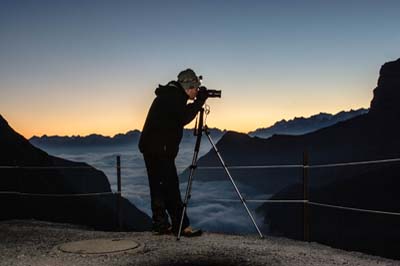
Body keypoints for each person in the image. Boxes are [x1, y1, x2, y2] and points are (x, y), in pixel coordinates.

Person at [138, 69, 208, 237]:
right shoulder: (175, 97)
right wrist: (199, 102)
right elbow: (183, 118)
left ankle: (160, 224)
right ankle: (181, 226)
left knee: (157, 186)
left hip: (150, 147)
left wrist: (197, 102)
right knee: (170, 187)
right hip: (160, 149)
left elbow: (177, 117)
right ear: (188, 86)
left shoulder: (169, 95)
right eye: (195, 88)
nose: (197, 91)